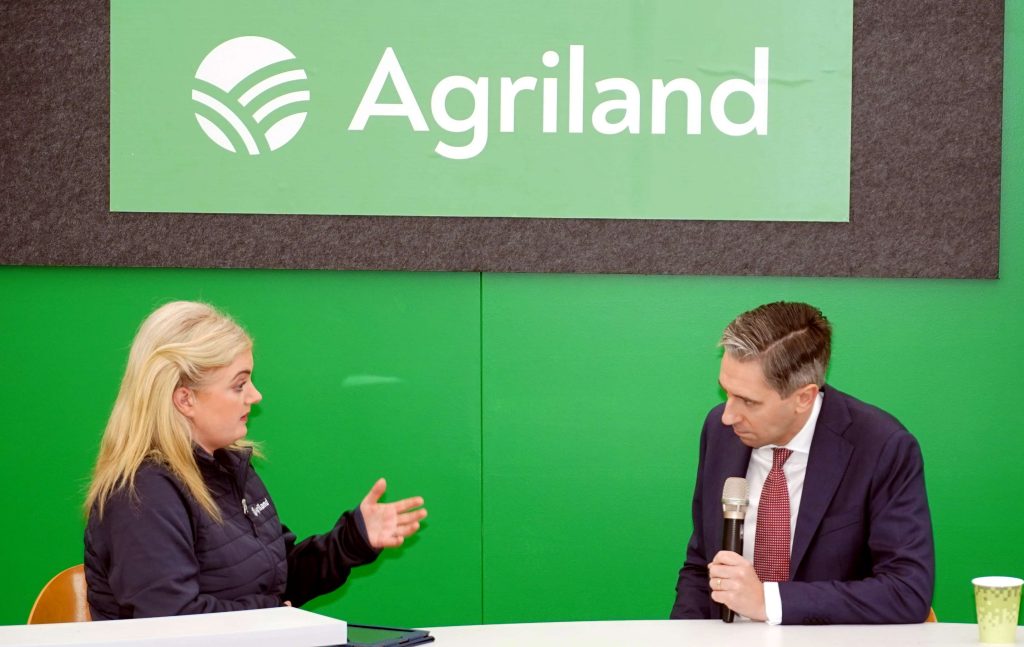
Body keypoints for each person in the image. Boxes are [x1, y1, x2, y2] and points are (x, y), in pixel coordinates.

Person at [83, 301, 427, 619]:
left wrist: (353, 539)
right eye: (239, 384)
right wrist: (272, 612)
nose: (255, 395)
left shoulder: (230, 468)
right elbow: (173, 622)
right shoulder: (142, 495)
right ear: (185, 399)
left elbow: (278, 577)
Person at [670, 302, 934, 624]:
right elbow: (702, 567)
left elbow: (906, 592)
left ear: (803, 397)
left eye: (749, 401)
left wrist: (769, 602)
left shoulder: (882, 447)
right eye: (727, 393)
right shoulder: (721, 432)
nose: (728, 415)